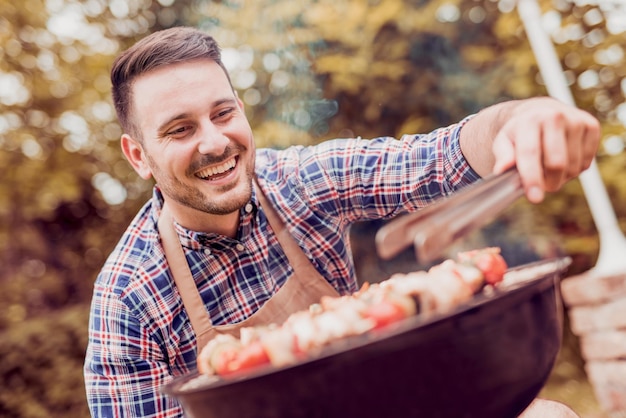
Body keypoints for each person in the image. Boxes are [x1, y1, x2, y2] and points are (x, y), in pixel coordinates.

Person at [83, 26, 600, 417]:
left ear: (240, 110)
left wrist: (522, 121)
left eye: (222, 114)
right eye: (179, 129)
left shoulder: (301, 181)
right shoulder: (128, 298)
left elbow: (442, 158)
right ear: (138, 156)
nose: (215, 141)